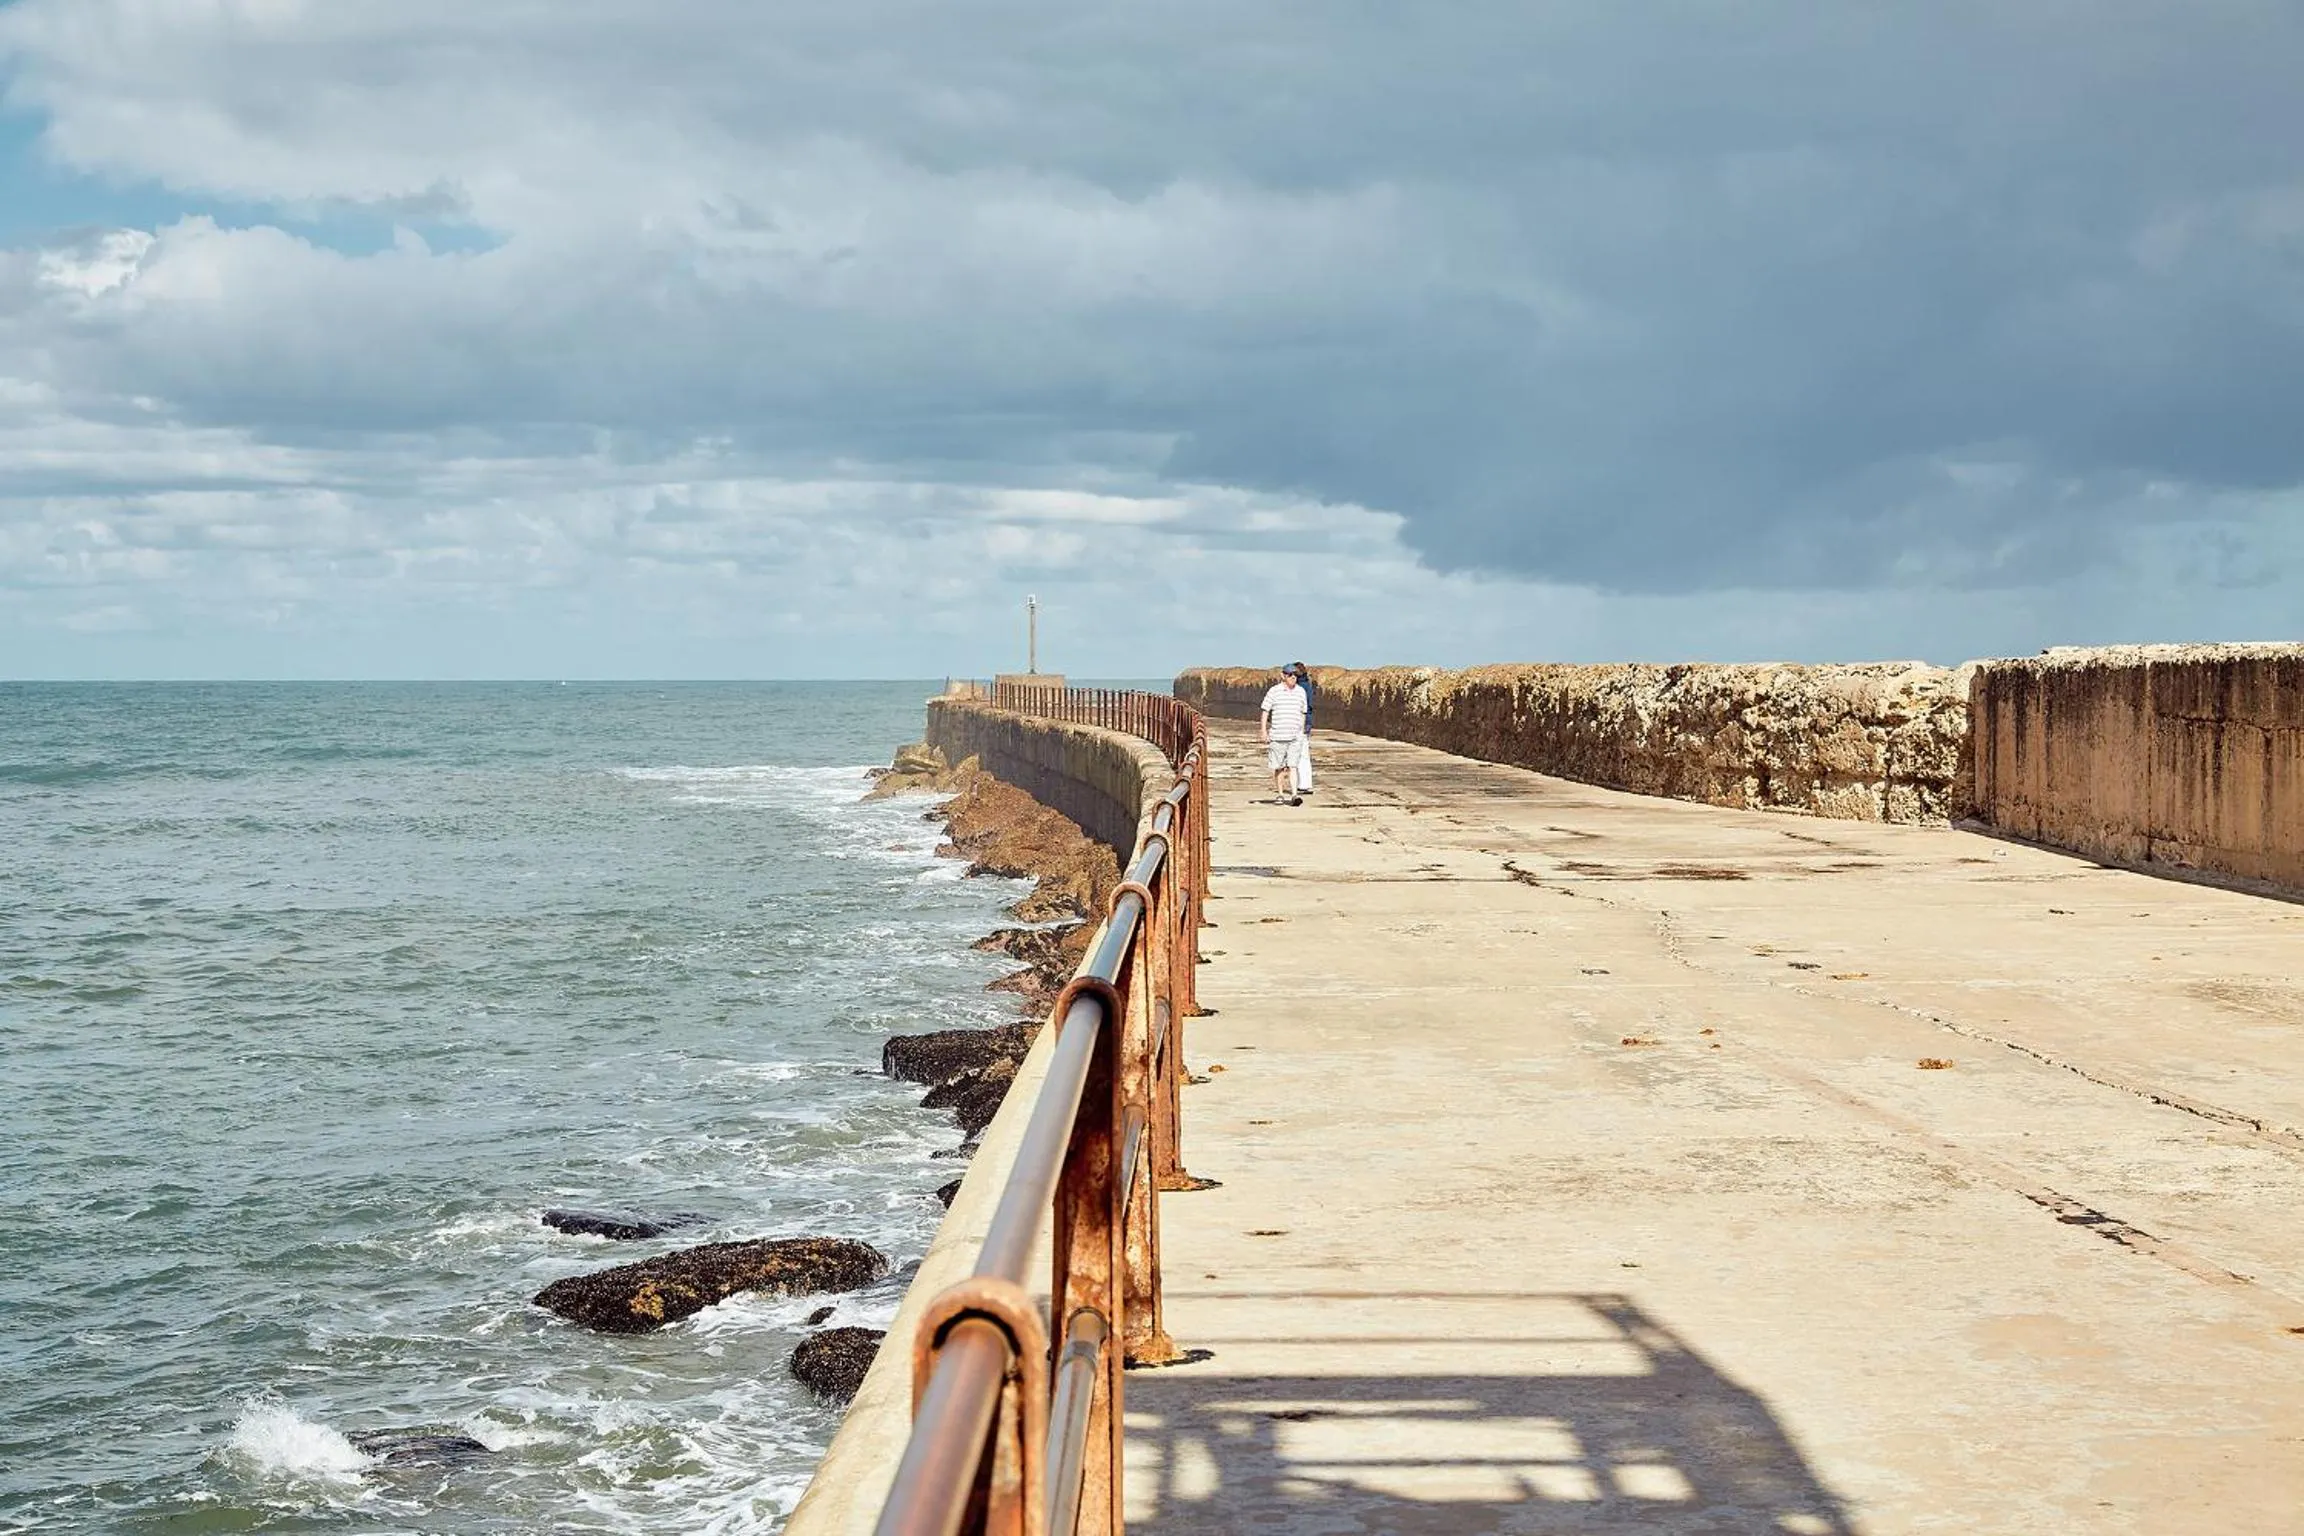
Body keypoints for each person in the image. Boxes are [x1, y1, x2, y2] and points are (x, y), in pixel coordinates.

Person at [1258, 664, 1309, 805]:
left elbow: (1303, 712)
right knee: (1279, 767)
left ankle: (1294, 795)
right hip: (1278, 735)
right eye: (1290, 675)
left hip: (1295, 736)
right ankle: (1280, 794)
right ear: (1283, 676)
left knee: (1293, 766)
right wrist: (1263, 731)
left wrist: (1302, 731)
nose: (1293, 677)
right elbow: (1265, 711)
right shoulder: (1274, 691)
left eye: (1296, 675)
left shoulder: (1301, 692)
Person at [1288, 662, 1317, 796]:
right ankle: (1303, 783)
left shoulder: (1301, 687)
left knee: (1300, 754)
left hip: (1301, 722)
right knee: (1302, 755)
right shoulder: (1306, 685)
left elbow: (1305, 707)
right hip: (1304, 722)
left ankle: (1303, 784)